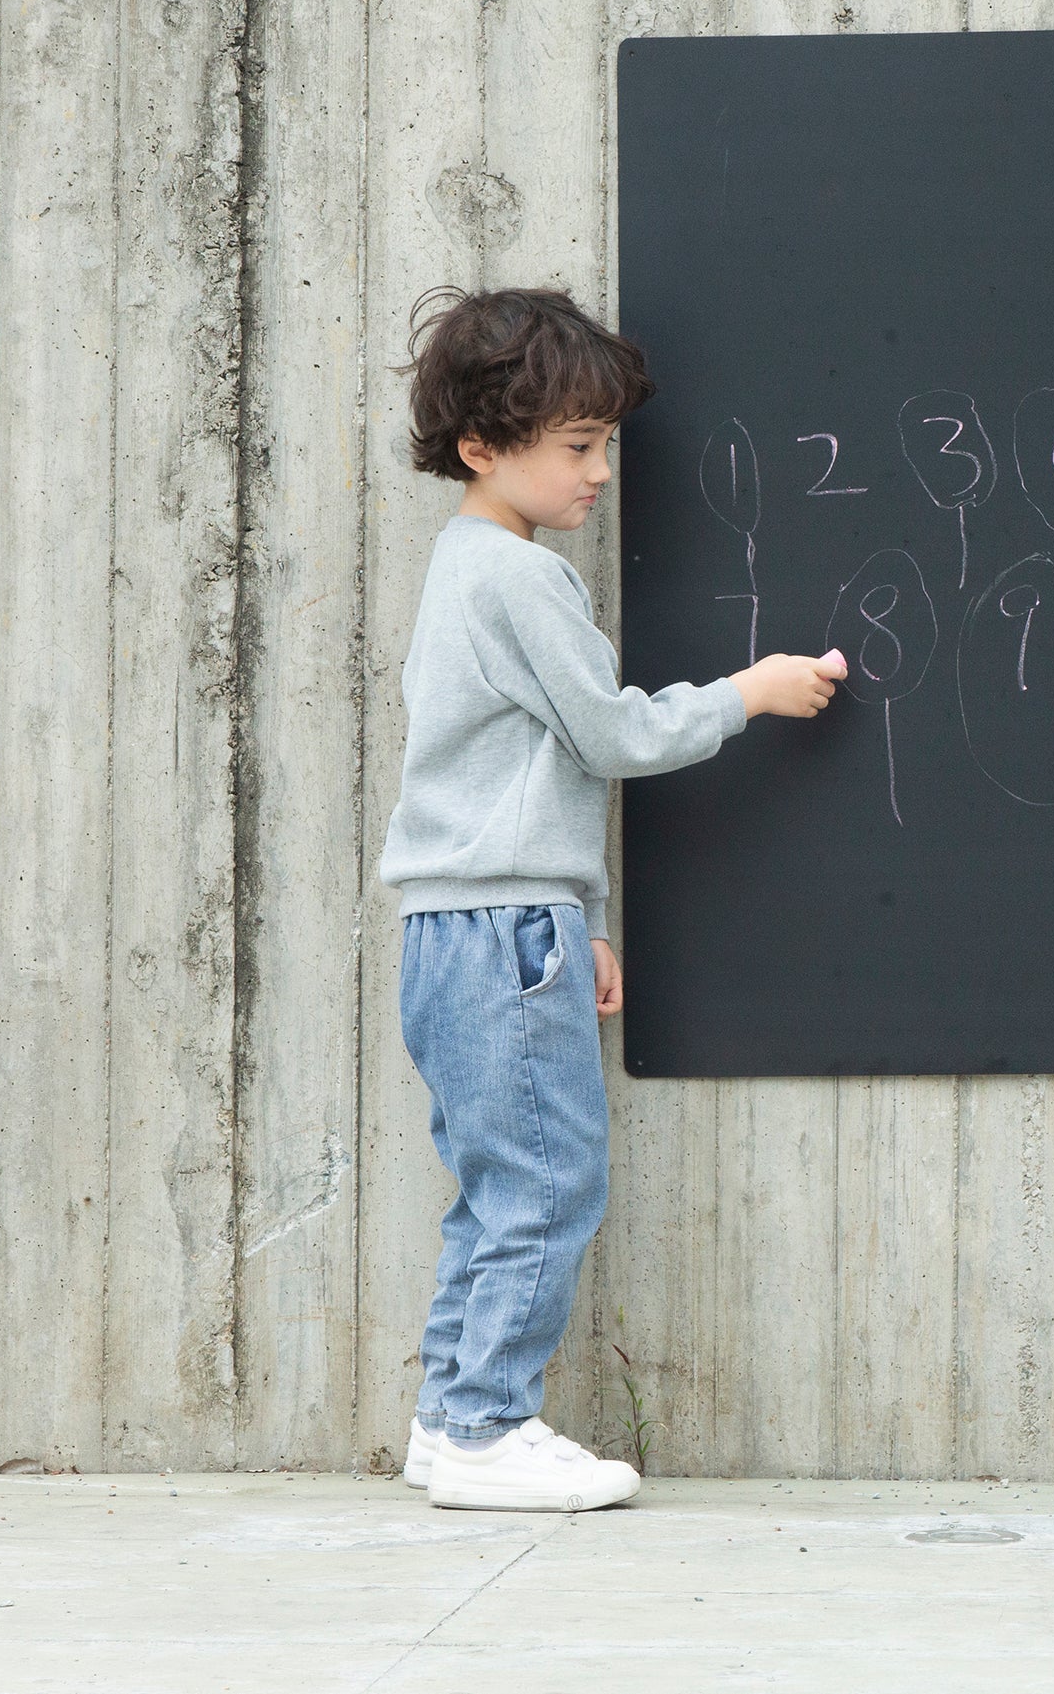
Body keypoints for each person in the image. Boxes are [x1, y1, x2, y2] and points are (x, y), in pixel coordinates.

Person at [376, 287, 842, 1511]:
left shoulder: (461, 568)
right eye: (577, 447)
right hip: (498, 922)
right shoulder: (523, 583)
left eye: (604, 444)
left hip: (457, 923)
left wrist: (577, 914)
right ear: (483, 447)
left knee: (495, 1180)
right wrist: (752, 691)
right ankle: (484, 1424)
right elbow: (607, 735)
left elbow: (518, 766)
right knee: (548, 1179)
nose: (599, 473)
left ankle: (447, 1418)